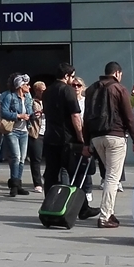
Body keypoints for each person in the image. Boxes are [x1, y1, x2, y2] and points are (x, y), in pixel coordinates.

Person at [83, 61, 134, 229]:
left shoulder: (91, 89)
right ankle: (105, 215)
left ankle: (109, 211)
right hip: (115, 136)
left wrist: (87, 142)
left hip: (96, 137)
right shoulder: (118, 88)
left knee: (109, 175)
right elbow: (128, 116)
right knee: (112, 178)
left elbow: (86, 117)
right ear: (117, 73)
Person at [40, 63, 86, 194]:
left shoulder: (47, 91)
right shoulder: (67, 90)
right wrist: (80, 136)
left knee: (51, 172)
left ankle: (50, 200)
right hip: (66, 138)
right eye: (72, 76)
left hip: (50, 136)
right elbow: (75, 115)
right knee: (68, 170)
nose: (73, 79)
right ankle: (67, 199)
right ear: (66, 76)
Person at [0, 75, 33, 197]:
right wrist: (18, 116)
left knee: (22, 159)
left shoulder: (28, 97)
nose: (29, 87)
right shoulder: (10, 97)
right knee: (16, 157)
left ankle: (18, 184)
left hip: (24, 131)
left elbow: (30, 111)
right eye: (27, 85)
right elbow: (4, 112)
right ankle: (14, 186)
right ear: (20, 86)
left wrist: (33, 114)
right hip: (12, 130)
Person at [27, 81, 47, 194]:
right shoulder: (31, 102)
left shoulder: (49, 101)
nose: (44, 92)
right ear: (36, 91)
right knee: (36, 159)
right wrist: (34, 114)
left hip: (49, 132)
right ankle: (37, 183)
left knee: (51, 158)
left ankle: (46, 176)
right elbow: (29, 114)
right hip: (36, 133)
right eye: (42, 91)